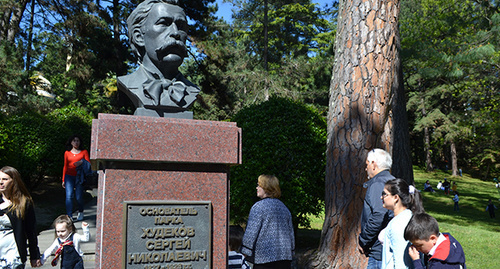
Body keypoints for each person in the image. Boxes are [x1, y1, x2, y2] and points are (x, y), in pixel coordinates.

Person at [117, 0, 200, 117]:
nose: (176, 33)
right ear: (139, 36)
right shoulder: (129, 83)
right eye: (164, 24)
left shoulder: (192, 90)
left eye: (181, 26)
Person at [241, 175, 295, 269]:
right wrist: (292, 252)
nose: (256, 188)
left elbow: (251, 233)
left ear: (266, 188)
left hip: (264, 259)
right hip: (284, 259)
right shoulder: (284, 208)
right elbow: (291, 234)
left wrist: (243, 254)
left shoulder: (258, 207)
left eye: (259, 185)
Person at [359, 148, 395, 269]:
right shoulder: (394, 181)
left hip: (380, 252)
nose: (366, 168)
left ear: (374, 164)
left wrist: (363, 240)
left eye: (367, 164)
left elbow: (378, 215)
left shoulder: (377, 184)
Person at [0, 166, 42, 268]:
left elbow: (31, 231)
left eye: (5, 179)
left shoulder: (23, 203)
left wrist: (34, 255)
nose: (1, 182)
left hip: (13, 255)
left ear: (14, 181)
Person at [380, 178, 425, 269]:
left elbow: (401, 262)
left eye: (384, 194)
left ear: (396, 198)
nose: (381, 197)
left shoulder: (399, 224)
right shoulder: (404, 218)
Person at [63, 134, 90, 221]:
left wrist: (81, 161)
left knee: (79, 196)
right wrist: (63, 179)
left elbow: (88, 163)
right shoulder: (67, 153)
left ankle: (81, 211)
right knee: (69, 196)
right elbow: (65, 166)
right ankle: (69, 215)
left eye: (77, 140)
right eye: (74, 141)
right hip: (69, 177)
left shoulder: (84, 152)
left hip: (79, 176)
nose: (76, 142)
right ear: (71, 142)